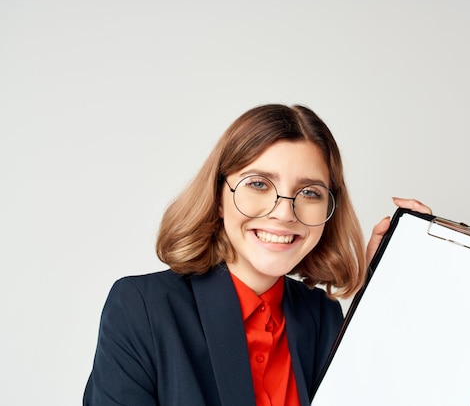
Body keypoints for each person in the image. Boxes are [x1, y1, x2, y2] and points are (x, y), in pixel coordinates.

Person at [83, 104, 431, 406]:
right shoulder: (142, 308)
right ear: (219, 197)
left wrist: (379, 302)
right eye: (259, 184)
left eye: (309, 192)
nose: (284, 212)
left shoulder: (322, 317)